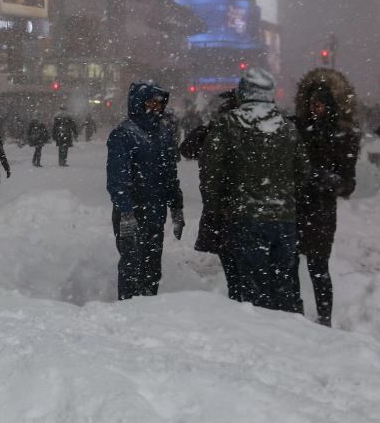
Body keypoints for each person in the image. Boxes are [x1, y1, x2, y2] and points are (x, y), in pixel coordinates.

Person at [200, 68, 309, 314]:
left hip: (245, 216)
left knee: (251, 286)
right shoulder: (288, 127)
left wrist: (218, 206)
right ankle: (289, 334)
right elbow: (303, 172)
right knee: (283, 283)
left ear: (243, 92)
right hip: (284, 219)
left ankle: (258, 336)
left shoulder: (228, 124)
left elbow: (210, 172)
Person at [106, 81, 184, 300]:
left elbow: (170, 174)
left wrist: (176, 206)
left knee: (152, 267)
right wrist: (126, 211)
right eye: (152, 102)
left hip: (155, 211)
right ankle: (129, 309)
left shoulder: (164, 133)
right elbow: (117, 178)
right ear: (139, 102)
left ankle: (148, 309)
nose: (157, 107)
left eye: (160, 103)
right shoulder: (124, 134)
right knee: (132, 264)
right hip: (132, 211)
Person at [294, 71, 360, 327]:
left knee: (318, 267)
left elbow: (347, 184)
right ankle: (295, 312)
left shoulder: (343, 136)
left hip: (320, 211)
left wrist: (321, 178)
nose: (314, 108)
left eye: (319, 104)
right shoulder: (298, 130)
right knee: (289, 265)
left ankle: (325, 318)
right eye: (311, 104)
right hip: (297, 206)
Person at [190, 90, 241, 299]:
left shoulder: (225, 133)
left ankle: (239, 301)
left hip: (227, 209)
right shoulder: (219, 132)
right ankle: (241, 302)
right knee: (237, 266)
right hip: (231, 210)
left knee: (235, 266)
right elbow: (188, 148)